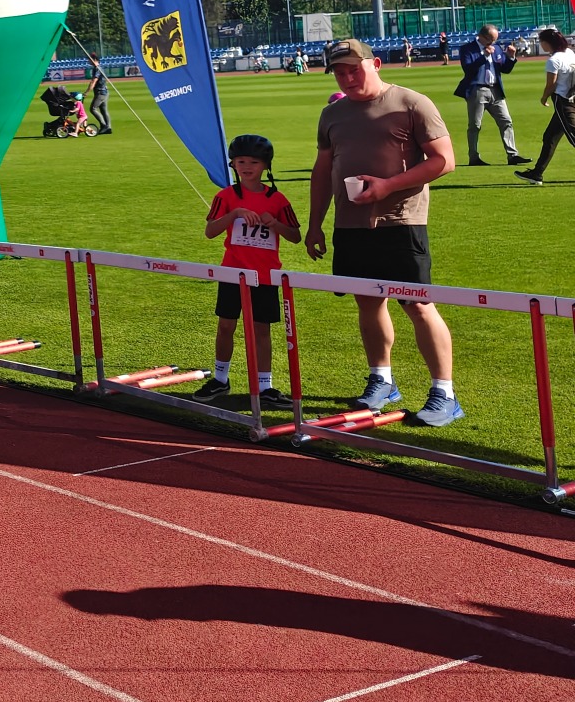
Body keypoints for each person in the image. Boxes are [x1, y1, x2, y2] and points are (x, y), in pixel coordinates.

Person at [306, 39, 461, 427]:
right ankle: (382, 380)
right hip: (350, 224)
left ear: (375, 63)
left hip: (401, 221)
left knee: (418, 304)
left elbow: (445, 161)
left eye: (353, 68)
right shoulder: (332, 114)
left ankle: (445, 393)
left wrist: (387, 186)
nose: (347, 76)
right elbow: (323, 171)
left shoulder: (411, 103)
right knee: (368, 302)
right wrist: (315, 225)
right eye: (340, 71)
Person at [195, 133, 300, 405]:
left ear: (265, 165)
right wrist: (235, 214)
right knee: (226, 326)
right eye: (240, 161)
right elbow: (210, 231)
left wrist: (274, 224)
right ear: (233, 165)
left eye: (254, 161)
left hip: (265, 276)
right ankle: (220, 379)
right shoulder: (225, 196)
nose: (246, 166)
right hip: (232, 272)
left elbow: (294, 235)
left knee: (261, 330)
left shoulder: (277, 200)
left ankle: (265, 386)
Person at [453, 24, 525, 166]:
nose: (493, 43)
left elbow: (504, 69)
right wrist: (484, 56)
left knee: (506, 121)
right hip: (477, 90)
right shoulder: (468, 49)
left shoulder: (497, 48)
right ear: (481, 36)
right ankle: (474, 157)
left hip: (496, 90)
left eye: (494, 40)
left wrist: (511, 58)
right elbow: (468, 69)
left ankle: (512, 155)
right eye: (490, 40)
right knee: (475, 125)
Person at [516, 26, 575, 185]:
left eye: (542, 41)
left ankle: (537, 173)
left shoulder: (553, 60)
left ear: (547, 43)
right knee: (550, 136)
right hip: (572, 96)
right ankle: (537, 173)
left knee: (573, 136)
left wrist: (543, 98)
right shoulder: (569, 53)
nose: (541, 44)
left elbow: (551, 85)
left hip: (563, 101)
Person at [88, 66, 112, 134]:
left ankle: (104, 126)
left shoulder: (97, 69)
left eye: (89, 60)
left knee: (93, 109)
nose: (88, 61)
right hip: (104, 92)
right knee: (103, 110)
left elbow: (94, 81)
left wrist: (87, 92)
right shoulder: (99, 68)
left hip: (100, 93)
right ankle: (108, 127)